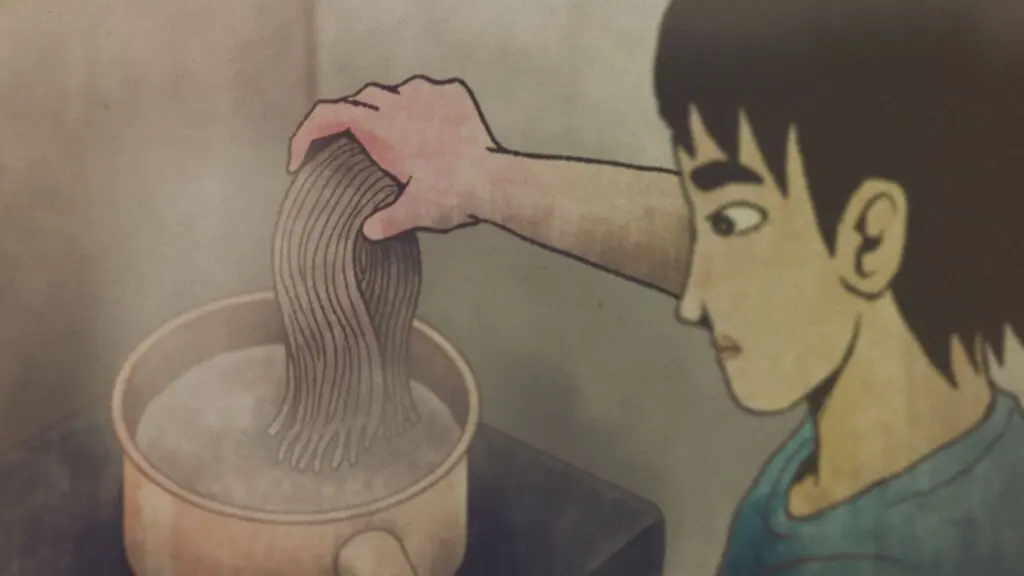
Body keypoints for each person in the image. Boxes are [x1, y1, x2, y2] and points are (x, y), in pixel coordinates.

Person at [287, 0, 1024, 573]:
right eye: (716, 217)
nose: (693, 300)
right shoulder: (938, 447)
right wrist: (481, 175)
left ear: (873, 235)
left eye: (731, 219)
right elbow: (801, 239)